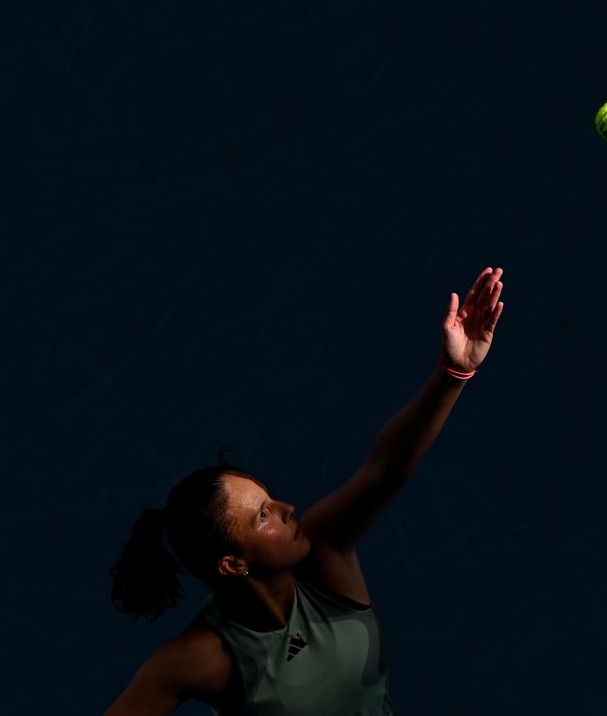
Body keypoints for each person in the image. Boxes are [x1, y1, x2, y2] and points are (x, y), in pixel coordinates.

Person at [104, 267, 506, 715]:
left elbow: (386, 469)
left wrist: (454, 373)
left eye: (269, 499)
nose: (287, 508)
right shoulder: (201, 658)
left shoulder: (325, 551)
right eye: (262, 515)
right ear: (233, 562)